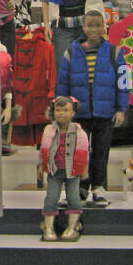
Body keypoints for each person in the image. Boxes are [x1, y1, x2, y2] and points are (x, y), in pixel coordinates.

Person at [56, 9, 129, 206]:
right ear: (83, 27)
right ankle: (79, 188)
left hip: (105, 114)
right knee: (79, 152)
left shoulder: (114, 52)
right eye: (90, 25)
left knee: (101, 151)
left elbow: (123, 82)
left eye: (98, 25)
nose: (94, 29)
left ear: (105, 27)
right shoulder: (71, 52)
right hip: (78, 114)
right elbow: (62, 83)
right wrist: (63, 110)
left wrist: (121, 108)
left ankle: (99, 188)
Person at [38, 97, 90, 241]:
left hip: (73, 172)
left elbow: (84, 152)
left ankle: (71, 227)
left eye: (65, 110)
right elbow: (43, 149)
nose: (61, 113)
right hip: (54, 171)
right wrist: (41, 166)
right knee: (51, 198)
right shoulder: (48, 130)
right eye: (58, 110)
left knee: (74, 198)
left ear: (73, 113)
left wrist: (84, 169)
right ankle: (48, 228)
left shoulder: (80, 132)